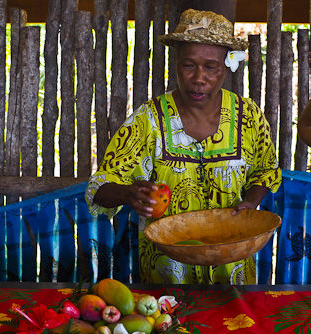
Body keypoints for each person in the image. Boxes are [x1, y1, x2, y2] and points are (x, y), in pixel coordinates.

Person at [85, 9, 282, 285]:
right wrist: (127, 193)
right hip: (166, 277)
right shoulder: (148, 120)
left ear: (226, 66)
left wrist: (252, 201)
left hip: (232, 273)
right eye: (189, 65)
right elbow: (99, 188)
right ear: (175, 63)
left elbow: (266, 171)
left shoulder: (248, 117)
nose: (199, 78)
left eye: (211, 67)